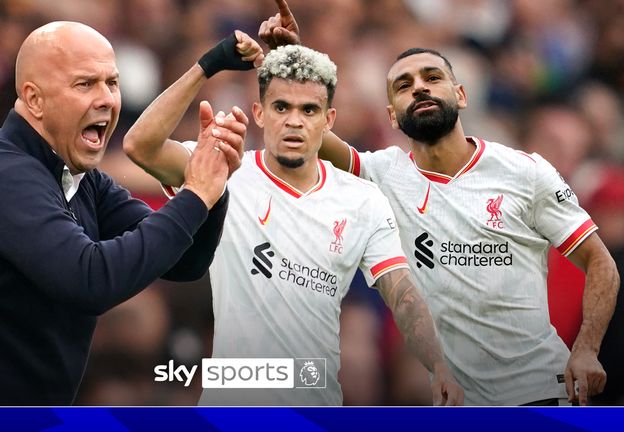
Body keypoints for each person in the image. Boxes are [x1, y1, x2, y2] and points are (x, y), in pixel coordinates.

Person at [258, 1, 620, 406]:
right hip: (457, 404)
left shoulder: (525, 172)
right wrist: (288, 62)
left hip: (540, 395)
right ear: (392, 117)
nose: (419, 87)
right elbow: (308, 130)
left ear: (461, 95)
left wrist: (587, 348)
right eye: (403, 85)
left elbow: (601, 262)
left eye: (432, 77)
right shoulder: (383, 172)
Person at [0, 21, 245, 405]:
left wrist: (212, 186)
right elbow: (90, 281)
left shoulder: (80, 177)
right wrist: (195, 192)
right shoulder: (0, 174)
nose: (107, 99)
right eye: (85, 84)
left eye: (112, 83)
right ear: (34, 99)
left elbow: (185, 262)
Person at [123, 29, 463, 405]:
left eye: (309, 110)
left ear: (328, 119)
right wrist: (208, 66)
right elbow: (141, 145)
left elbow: (402, 292)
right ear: (259, 113)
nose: (294, 121)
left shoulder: (363, 200)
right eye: (281, 107)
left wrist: (438, 365)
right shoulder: (224, 173)